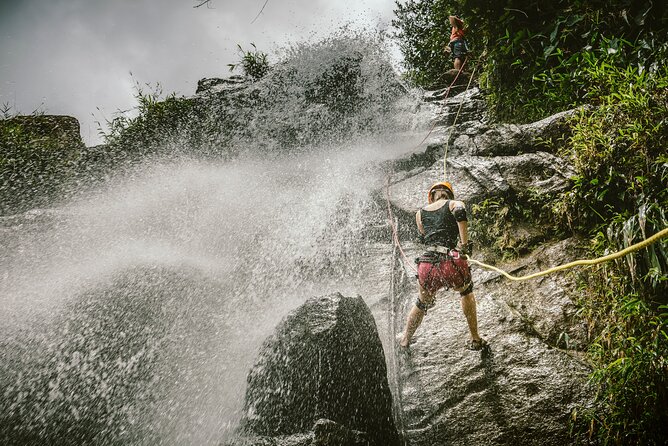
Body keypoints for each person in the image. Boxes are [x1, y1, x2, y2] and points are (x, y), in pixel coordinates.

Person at [398, 181, 486, 350]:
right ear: (449, 195)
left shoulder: (420, 213)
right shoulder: (454, 204)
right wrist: (465, 244)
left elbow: (424, 235)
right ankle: (475, 339)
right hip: (451, 263)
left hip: (427, 266)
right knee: (466, 291)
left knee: (422, 302)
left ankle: (405, 339)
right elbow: (460, 213)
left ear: (431, 197)